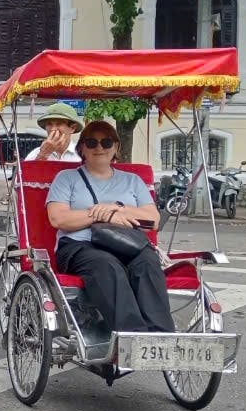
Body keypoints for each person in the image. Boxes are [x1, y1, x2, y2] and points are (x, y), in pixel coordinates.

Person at [46, 120, 173, 333]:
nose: (99, 148)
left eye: (106, 142)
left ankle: (161, 336)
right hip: (80, 246)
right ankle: (132, 335)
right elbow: (58, 219)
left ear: (116, 147)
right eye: (91, 142)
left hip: (125, 244)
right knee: (107, 265)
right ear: (82, 148)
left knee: (148, 263)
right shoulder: (67, 178)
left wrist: (117, 210)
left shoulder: (132, 181)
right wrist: (98, 215)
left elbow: (153, 219)